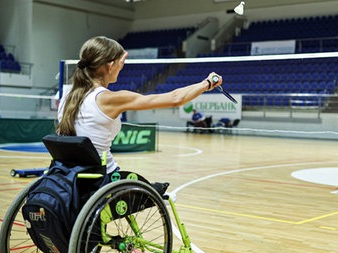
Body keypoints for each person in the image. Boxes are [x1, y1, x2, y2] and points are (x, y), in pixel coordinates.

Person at [57, 36, 222, 179]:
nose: (122, 67)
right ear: (109, 66)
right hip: (100, 177)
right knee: (161, 195)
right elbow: (176, 98)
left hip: (68, 173)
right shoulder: (109, 99)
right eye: (121, 63)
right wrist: (207, 83)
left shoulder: (67, 96)